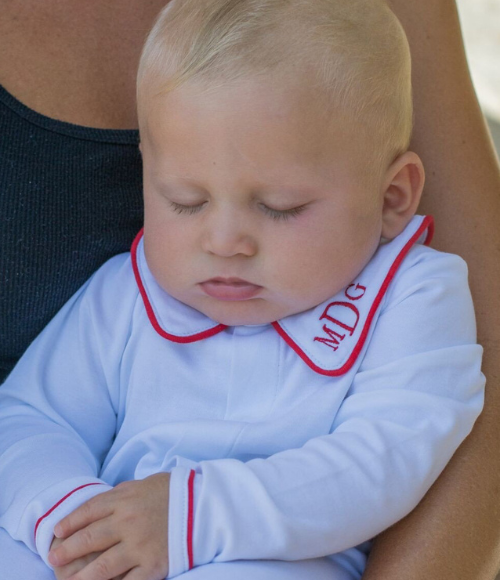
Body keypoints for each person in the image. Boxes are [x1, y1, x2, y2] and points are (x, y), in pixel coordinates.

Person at [1, 1, 500, 579]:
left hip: (275, 556)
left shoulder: (415, 293)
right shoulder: (131, 292)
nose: (224, 240)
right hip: (113, 538)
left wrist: (190, 516)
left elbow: (388, 455)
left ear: (392, 197)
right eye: (185, 201)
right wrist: (68, 517)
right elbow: (32, 417)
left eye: (279, 207)